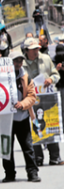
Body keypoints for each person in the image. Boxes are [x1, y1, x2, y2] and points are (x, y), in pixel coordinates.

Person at [22, 37, 64, 166]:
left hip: (47, 97)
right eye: (32, 49)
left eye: (37, 49)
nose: (35, 52)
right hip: (30, 99)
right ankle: (38, 158)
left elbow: (55, 74)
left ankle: (55, 157)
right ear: (26, 51)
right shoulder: (21, 63)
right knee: (34, 127)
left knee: (51, 125)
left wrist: (51, 79)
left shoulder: (45, 58)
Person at [2, 50, 41, 182]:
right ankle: (9, 174)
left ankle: (32, 173)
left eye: (20, 61)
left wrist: (22, 104)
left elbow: (32, 96)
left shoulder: (26, 77)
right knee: (6, 149)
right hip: (5, 119)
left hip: (21, 117)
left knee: (28, 148)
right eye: (15, 61)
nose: (18, 63)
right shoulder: (0, 76)